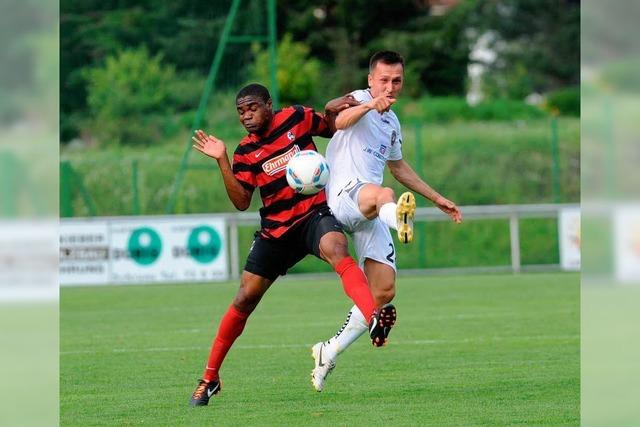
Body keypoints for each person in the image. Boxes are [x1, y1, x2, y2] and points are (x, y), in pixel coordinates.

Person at [188, 83, 398, 407]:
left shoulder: (296, 118)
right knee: (244, 299)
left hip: (314, 216)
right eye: (241, 111)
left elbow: (330, 126)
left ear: (269, 105)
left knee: (338, 251)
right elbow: (242, 201)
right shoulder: (245, 153)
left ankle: (372, 317)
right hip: (276, 231)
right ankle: (210, 378)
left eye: (252, 107)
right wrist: (222, 161)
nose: (247, 115)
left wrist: (331, 107)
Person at [310, 51, 463, 392]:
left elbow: (399, 167)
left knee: (383, 291)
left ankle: (329, 350)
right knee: (384, 194)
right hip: (344, 197)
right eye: (384, 80)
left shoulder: (392, 123)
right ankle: (399, 221)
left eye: (396, 81)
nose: (390, 87)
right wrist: (368, 105)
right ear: (370, 80)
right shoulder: (359, 100)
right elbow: (338, 121)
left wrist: (437, 198)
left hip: (372, 212)